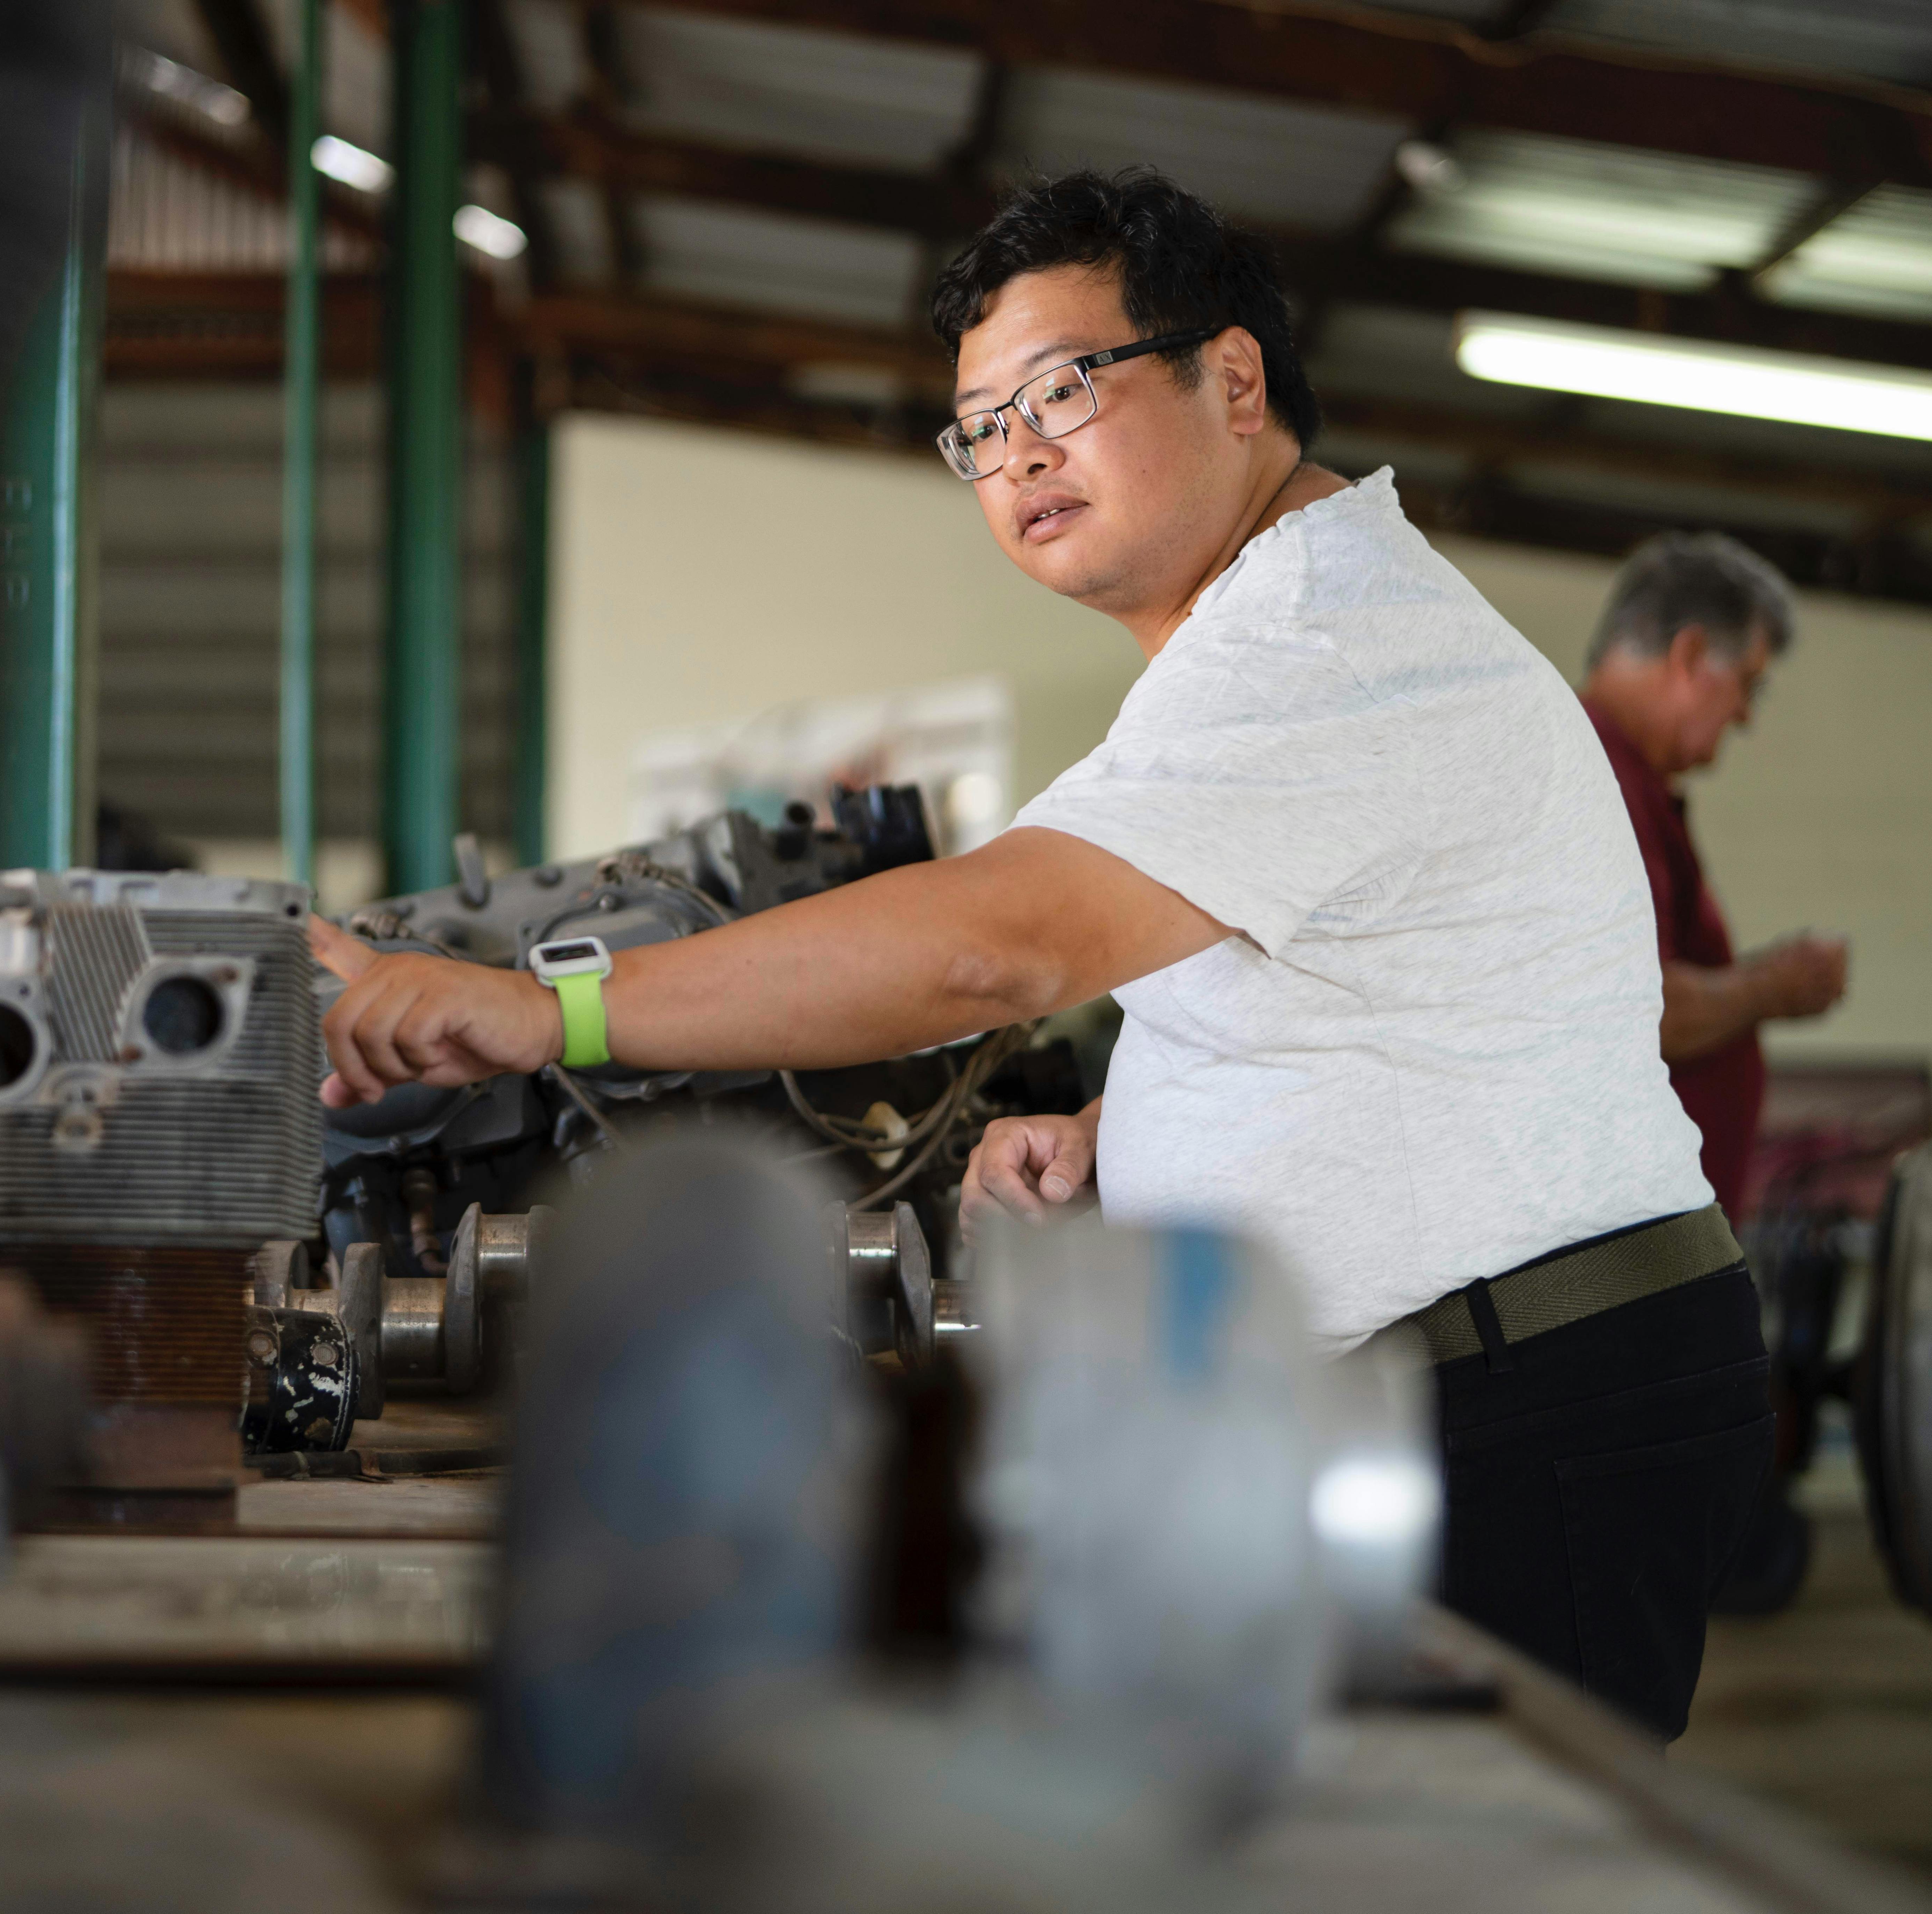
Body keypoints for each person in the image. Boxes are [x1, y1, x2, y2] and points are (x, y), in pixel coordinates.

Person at [310, 170, 1766, 1741]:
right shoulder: (1265, 639)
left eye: (1061, 389)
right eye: (976, 426)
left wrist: (545, 1014)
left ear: (1232, 379)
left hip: (1519, 1410)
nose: (1015, 454)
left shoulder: (1326, 644)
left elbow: (997, 950)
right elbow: (1376, 999)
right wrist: (1118, 1133)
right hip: (1452, 1383)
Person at [1578, 534, 1849, 1217]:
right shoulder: (1602, 776)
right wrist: (1773, 984)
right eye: (1747, 685)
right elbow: (1639, 1006)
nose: (1745, 715)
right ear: (1692, 656)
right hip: (1629, 1242)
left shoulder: (1628, 780)